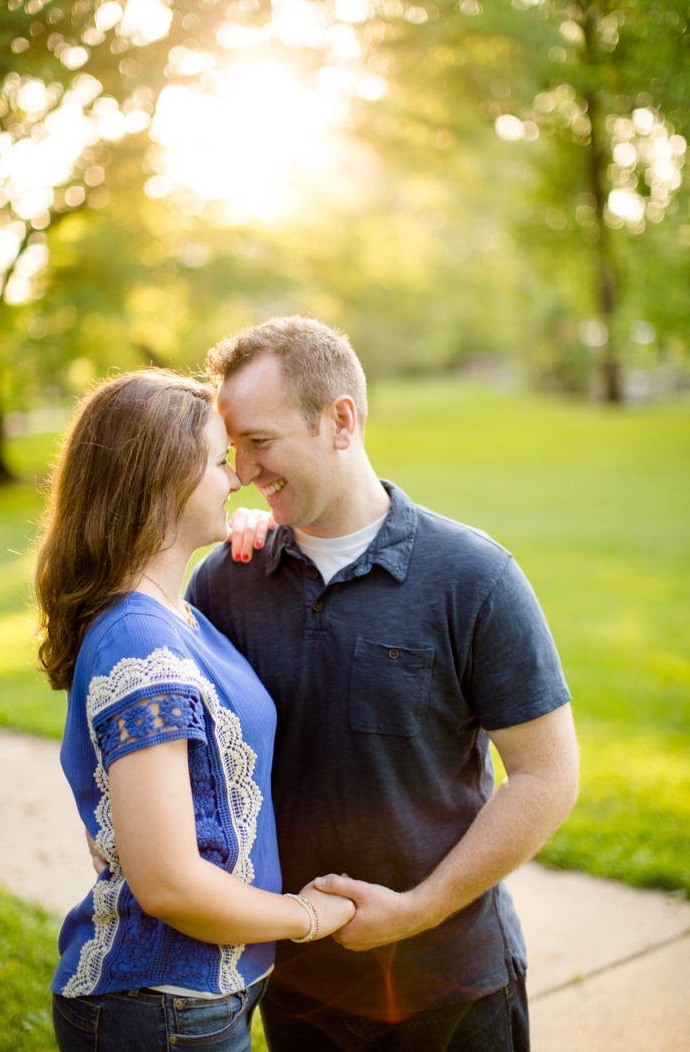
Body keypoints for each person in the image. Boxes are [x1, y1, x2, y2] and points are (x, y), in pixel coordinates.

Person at [184, 317, 579, 1052]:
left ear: (341, 420)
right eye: (233, 450)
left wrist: (421, 908)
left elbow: (546, 774)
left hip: (454, 986)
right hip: (297, 987)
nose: (242, 470)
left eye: (261, 444)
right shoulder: (225, 582)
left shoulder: (474, 577)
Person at [37, 370, 356, 1052]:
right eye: (218, 461)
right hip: (159, 1007)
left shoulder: (177, 617)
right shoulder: (139, 641)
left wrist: (267, 538)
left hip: (194, 1001)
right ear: (162, 480)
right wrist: (304, 917)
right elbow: (170, 884)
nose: (238, 476)